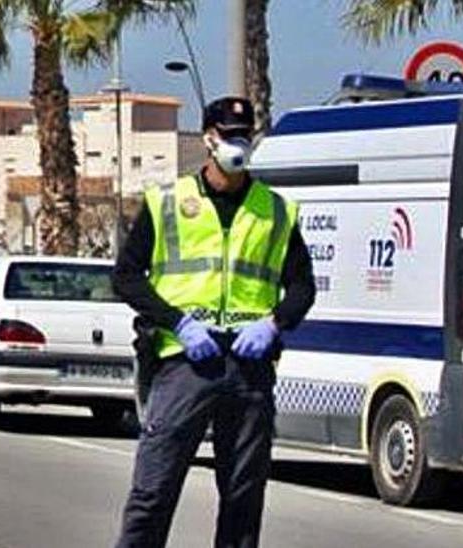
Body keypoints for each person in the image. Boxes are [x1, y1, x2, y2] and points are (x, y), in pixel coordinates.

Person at [112, 97, 316, 548]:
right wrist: (178, 322)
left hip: (249, 367)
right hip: (186, 362)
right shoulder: (168, 202)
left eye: (245, 135)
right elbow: (126, 277)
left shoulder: (277, 211)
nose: (238, 144)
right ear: (208, 138)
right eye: (229, 135)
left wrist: (274, 324)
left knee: (244, 496)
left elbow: (303, 286)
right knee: (154, 488)